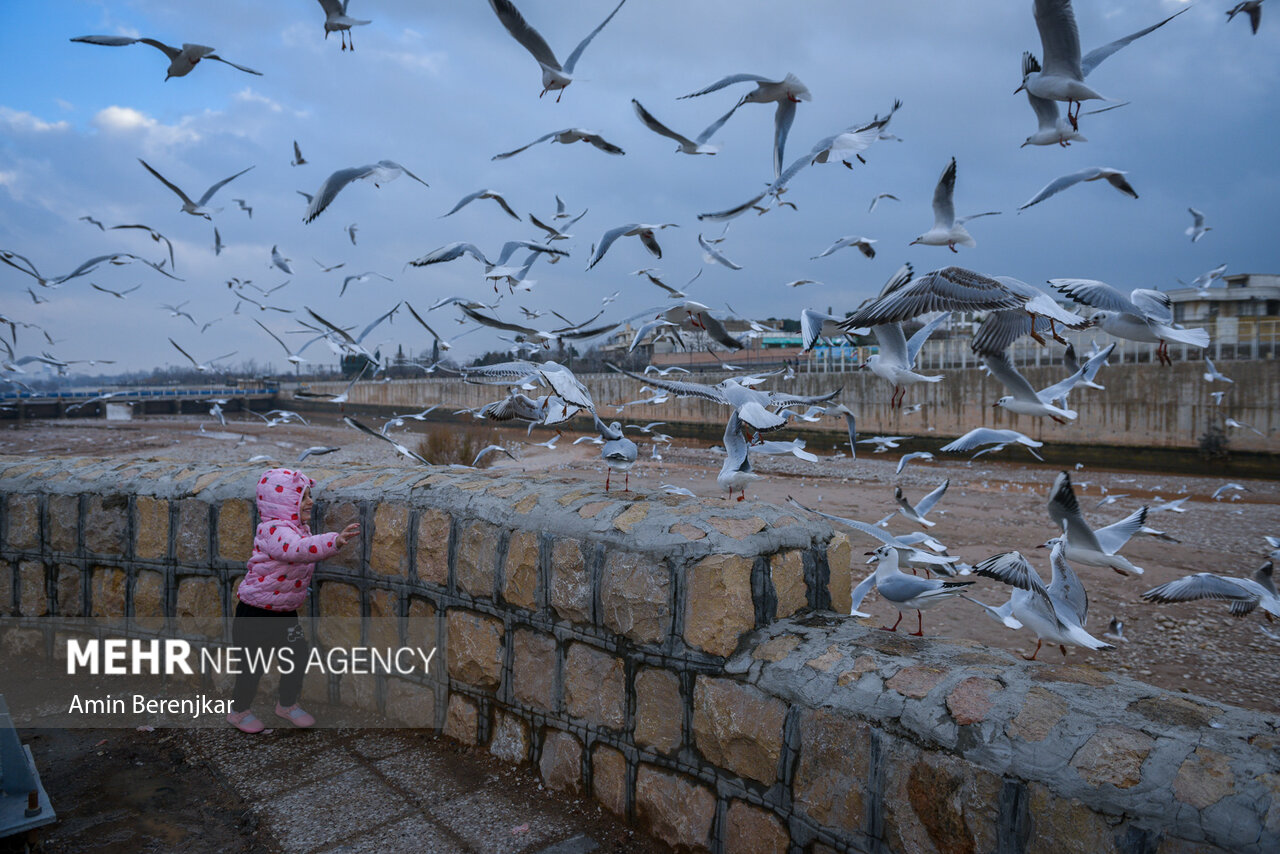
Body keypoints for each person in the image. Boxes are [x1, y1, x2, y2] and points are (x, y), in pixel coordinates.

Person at [226, 467, 360, 733]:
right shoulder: (273, 530)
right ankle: (239, 712)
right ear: (285, 502)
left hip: (284, 611)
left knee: (297, 656)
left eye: (309, 495)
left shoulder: (299, 528)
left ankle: (286, 704)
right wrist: (335, 541)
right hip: (255, 613)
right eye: (303, 497)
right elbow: (296, 551)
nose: (311, 502)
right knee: (252, 666)